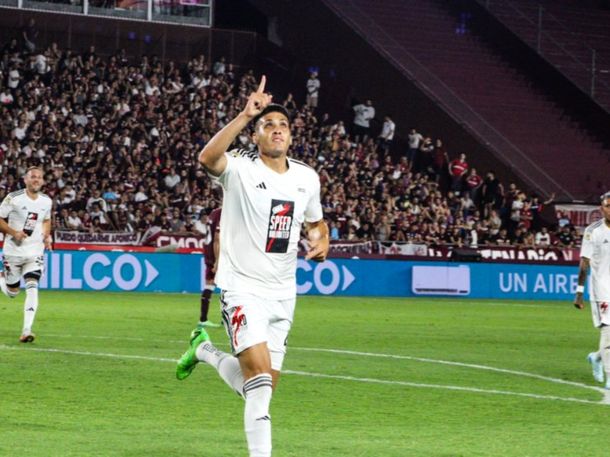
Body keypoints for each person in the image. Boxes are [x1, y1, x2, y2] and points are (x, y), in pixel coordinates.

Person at [175, 76, 329, 457]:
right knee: (259, 385)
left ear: (291, 136)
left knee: (258, 388)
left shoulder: (306, 178)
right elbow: (207, 159)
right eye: (268, 125)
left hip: (283, 295)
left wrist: (321, 240)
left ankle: (204, 351)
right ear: (256, 136)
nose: (277, 130)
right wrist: (246, 114)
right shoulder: (241, 170)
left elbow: (316, 223)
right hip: (243, 288)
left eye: (283, 126)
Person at [0, 166, 53, 342]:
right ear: (26, 180)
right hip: (13, 252)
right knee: (12, 292)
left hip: (34, 251)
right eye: (33, 177)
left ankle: (26, 330)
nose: (36, 179)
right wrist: (14, 232)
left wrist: (46, 236)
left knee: (32, 286)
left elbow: (46, 220)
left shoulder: (46, 201)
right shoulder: (13, 198)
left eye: (39, 177)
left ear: (43, 180)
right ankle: (2, 277)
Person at [574, 191, 610, 389]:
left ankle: (596, 357)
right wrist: (579, 293)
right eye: (607, 206)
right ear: (601, 209)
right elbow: (584, 263)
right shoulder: (593, 231)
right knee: (608, 330)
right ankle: (609, 375)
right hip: (601, 288)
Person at [198, 207, 222, 328]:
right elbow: (217, 239)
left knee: (210, 284)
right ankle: (226, 318)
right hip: (215, 254)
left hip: (208, 252)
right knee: (229, 285)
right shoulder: (223, 213)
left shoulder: (213, 212)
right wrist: (217, 261)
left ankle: (203, 319)